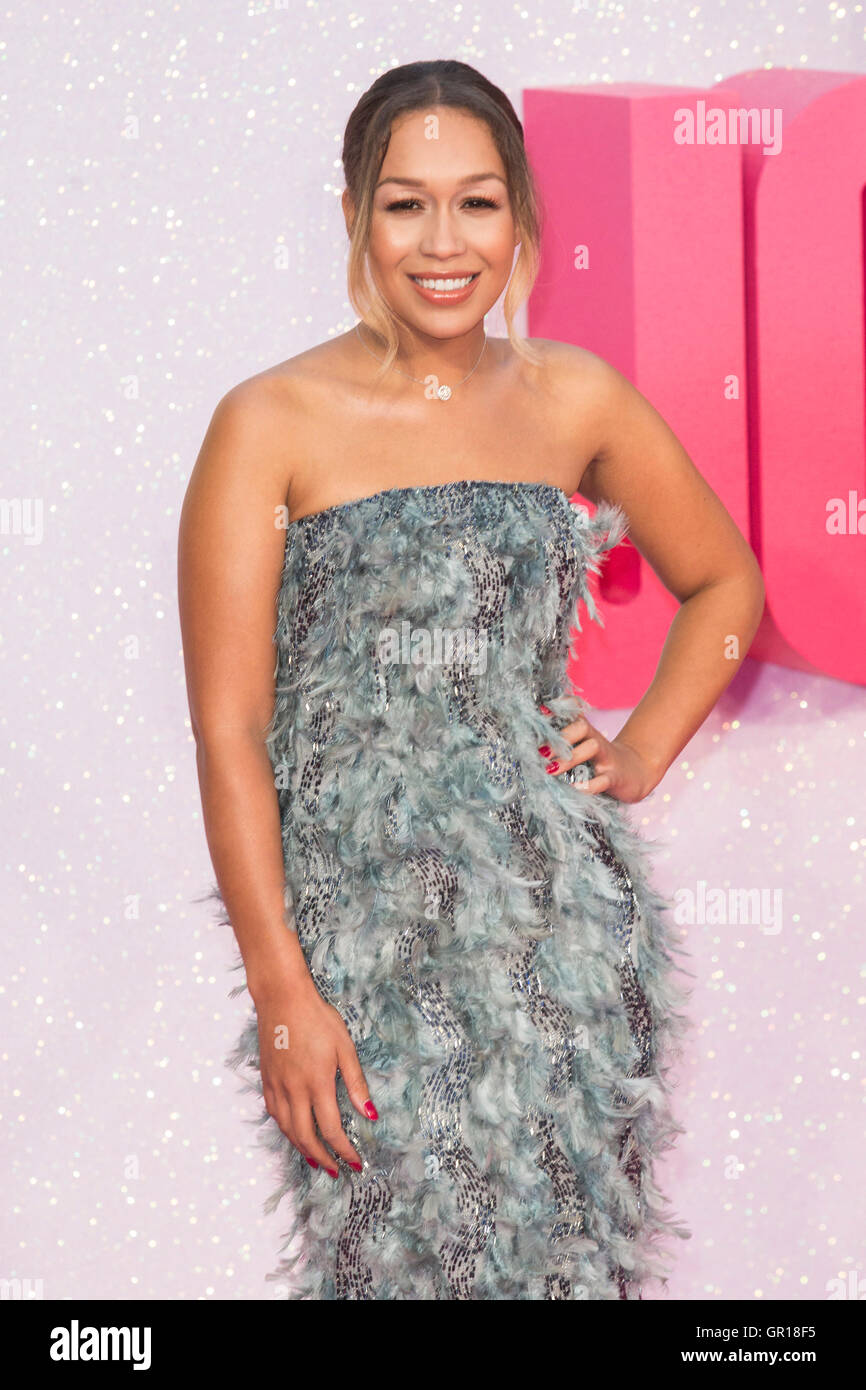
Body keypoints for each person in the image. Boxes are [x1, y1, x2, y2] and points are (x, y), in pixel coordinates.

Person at [178, 59, 765, 1300]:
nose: (443, 243)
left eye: (477, 202)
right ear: (352, 214)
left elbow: (725, 585)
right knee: (396, 1262)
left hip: (558, 934)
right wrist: (283, 988)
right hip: (365, 948)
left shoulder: (574, 397)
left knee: (564, 1264)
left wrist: (639, 750)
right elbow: (229, 730)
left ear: (521, 219)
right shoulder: (269, 421)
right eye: (404, 204)